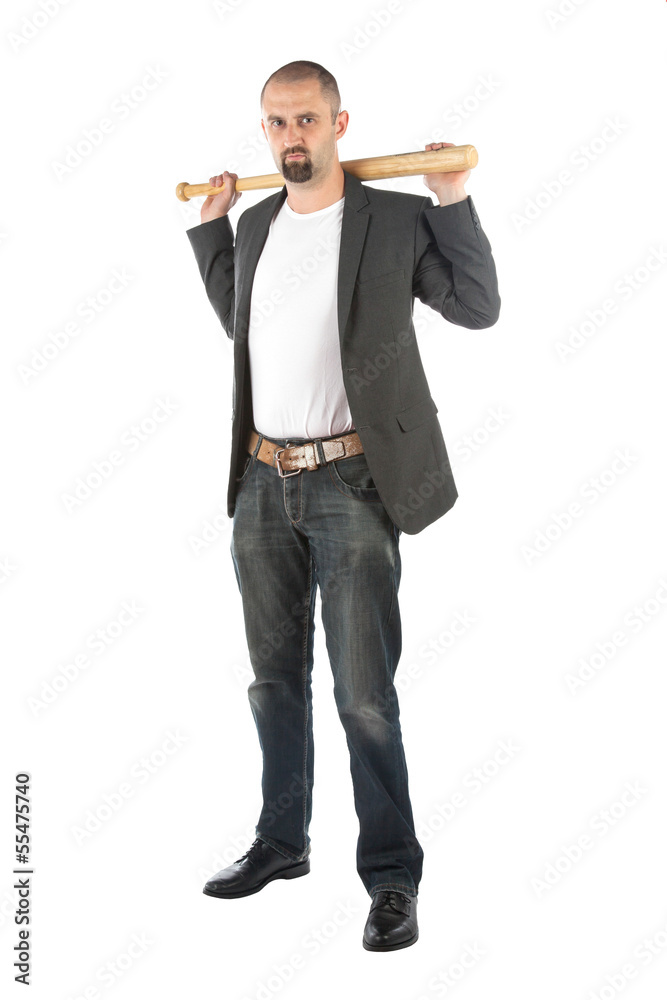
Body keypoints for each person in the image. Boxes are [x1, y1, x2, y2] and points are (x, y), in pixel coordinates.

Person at [185, 59, 500, 952]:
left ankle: (392, 875)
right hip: (261, 482)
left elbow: (477, 308)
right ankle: (281, 842)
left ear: (338, 124)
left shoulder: (392, 218)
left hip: (352, 482)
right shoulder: (256, 223)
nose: (291, 136)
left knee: (363, 694)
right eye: (277, 122)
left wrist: (451, 200)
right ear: (265, 131)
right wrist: (211, 233)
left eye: (306, 120)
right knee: (271, 680)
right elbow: (242, 328)